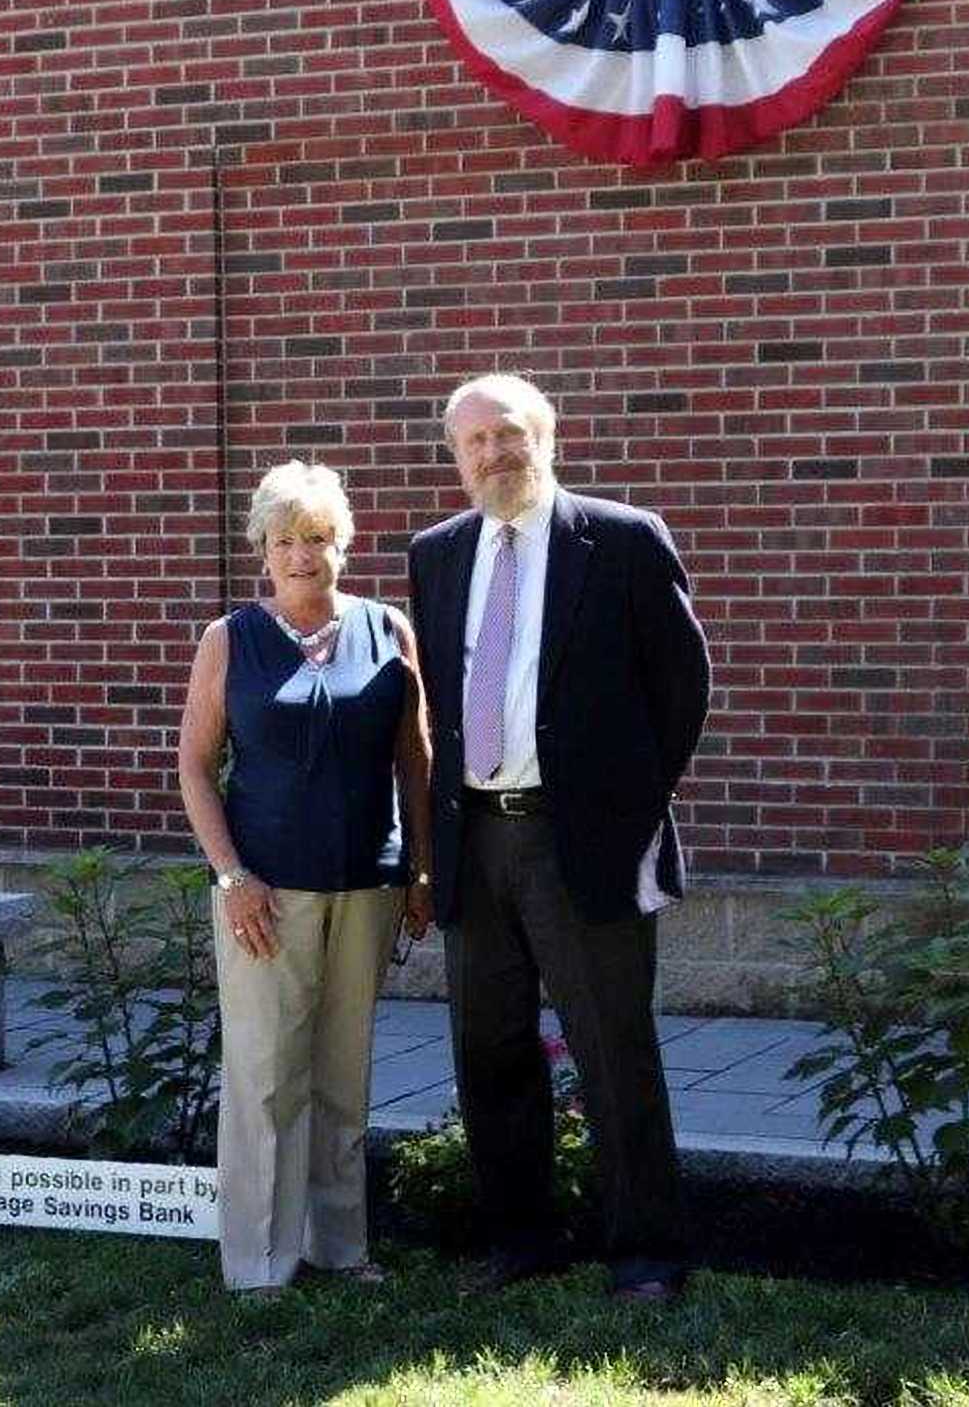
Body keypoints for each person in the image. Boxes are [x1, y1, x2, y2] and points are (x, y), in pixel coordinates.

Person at [407, 374, 710, 1301]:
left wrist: (625, 806)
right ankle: (521, 1242)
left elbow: (682, 686)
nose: (494, 455)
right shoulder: (437, 554)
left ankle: (645, 1254)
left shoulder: (620, 539)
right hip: (477, 839)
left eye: (509, 434)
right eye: (474, 443)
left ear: (548, 436)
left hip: (582, 841)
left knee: (612, 1050)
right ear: (455, 458)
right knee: (489, 1051)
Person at [178, 460, 433, 1293]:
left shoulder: (388, 630)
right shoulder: (230, 638)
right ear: (262, 547)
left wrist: (422, 869)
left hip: (367, 881)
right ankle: (258, 1260)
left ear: (342, 545)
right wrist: (230, 876)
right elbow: (193, 766)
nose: (301, 554)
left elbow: (415, 759)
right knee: (264, 1073)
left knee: (341, 1068)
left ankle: (339, 1244)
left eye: (317, 537)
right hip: (263, 892)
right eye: (284, 539)